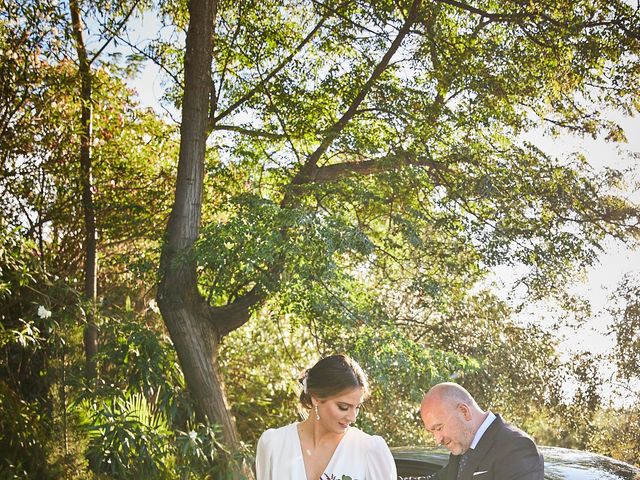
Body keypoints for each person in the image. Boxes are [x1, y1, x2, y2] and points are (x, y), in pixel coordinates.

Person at [255, 354, 397, 480]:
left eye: (357, 407)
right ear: (316, 398)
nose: (352, 417)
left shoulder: (369, 450)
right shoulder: (273, 444)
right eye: (343, 407)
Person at [420, 382, 543, 480]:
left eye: (439, 428)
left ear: (464, 411)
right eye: (432, 432)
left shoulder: (516, 447)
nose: (438, 439)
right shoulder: (462, 452)